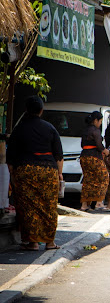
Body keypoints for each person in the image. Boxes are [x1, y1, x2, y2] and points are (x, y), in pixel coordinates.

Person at [7, 96, 63, 251]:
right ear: (41, 110)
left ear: (27, 110)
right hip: (48, 170)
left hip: (25, 170)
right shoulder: (50, 128)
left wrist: (12, 174)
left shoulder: (19, 128)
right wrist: (59, 175)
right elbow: (58, 155)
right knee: (49, 206)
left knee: (28, 207)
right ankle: (50, 242)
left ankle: (33, 242)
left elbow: (11, 156)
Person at [79, 111, 109, 211]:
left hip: (84, 156)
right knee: (103, 177)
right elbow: (99, 145)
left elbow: (82, 145)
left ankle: (84, 204)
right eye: (100, 121)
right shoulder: (95, 130)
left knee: (88, 180)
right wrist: (105, 151)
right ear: (96, 120)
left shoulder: (85, 130)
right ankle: (99, 202)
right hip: (94, 157)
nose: (100, 123)